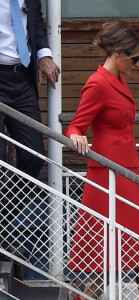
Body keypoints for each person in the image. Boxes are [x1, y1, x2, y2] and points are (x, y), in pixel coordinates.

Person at [65, 21, 139, 300]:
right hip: (107, 175)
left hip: (130, 172)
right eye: (135, 58)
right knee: (106, 252)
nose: (137, 64)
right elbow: (75, 126)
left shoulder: (119, 81)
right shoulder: (97, 83)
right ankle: (83, 298)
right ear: (119, 54)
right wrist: (77, 137)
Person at [0, 0, 60, 261]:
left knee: (34, 156)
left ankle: (0, 221)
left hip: (22, 80)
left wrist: (44, 54)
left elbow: (36, 27)